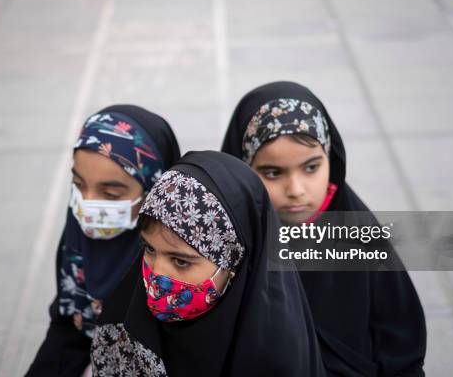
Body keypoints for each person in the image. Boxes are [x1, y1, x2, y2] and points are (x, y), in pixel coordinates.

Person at [221, 81, 427, 376]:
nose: (296, 190)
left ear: (331, 158)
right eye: (272, 172)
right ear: (243, 170)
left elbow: (400, 337)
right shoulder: (228, 240)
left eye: (311, 167)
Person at [91, 151, 327, 377]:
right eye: (149, 249)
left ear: (235, 264)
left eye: (181, 262)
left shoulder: (275, 357)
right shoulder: (125, 326)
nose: (156, 274)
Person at [26, 105, 180, 377]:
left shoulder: (178, 260)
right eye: (79, 185)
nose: (87, 205)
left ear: (153, 192)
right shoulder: (77, 239)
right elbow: (69, 327)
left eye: (110, 194)